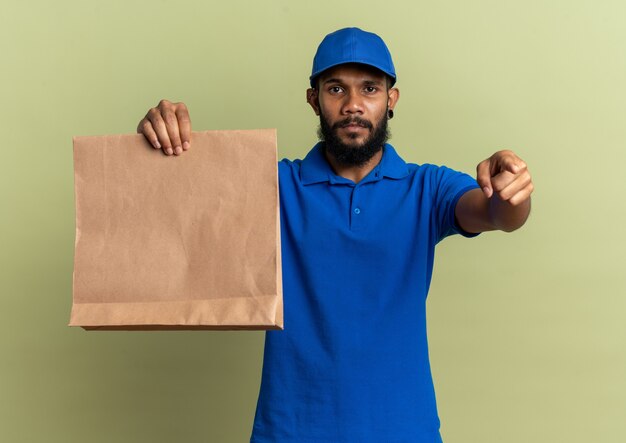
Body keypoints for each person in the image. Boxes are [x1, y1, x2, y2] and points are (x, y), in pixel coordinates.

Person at [137, 27, 533, 443]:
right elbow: (175, 203)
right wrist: (159, 138)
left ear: (390, 99)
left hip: (403, 430)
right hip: (290, 430)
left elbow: (495, 213)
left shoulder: (426, 188)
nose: (353, 105)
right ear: (314, 100)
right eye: (335, 89)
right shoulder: (275, 185)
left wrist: (510, 190)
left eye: (369, 89)